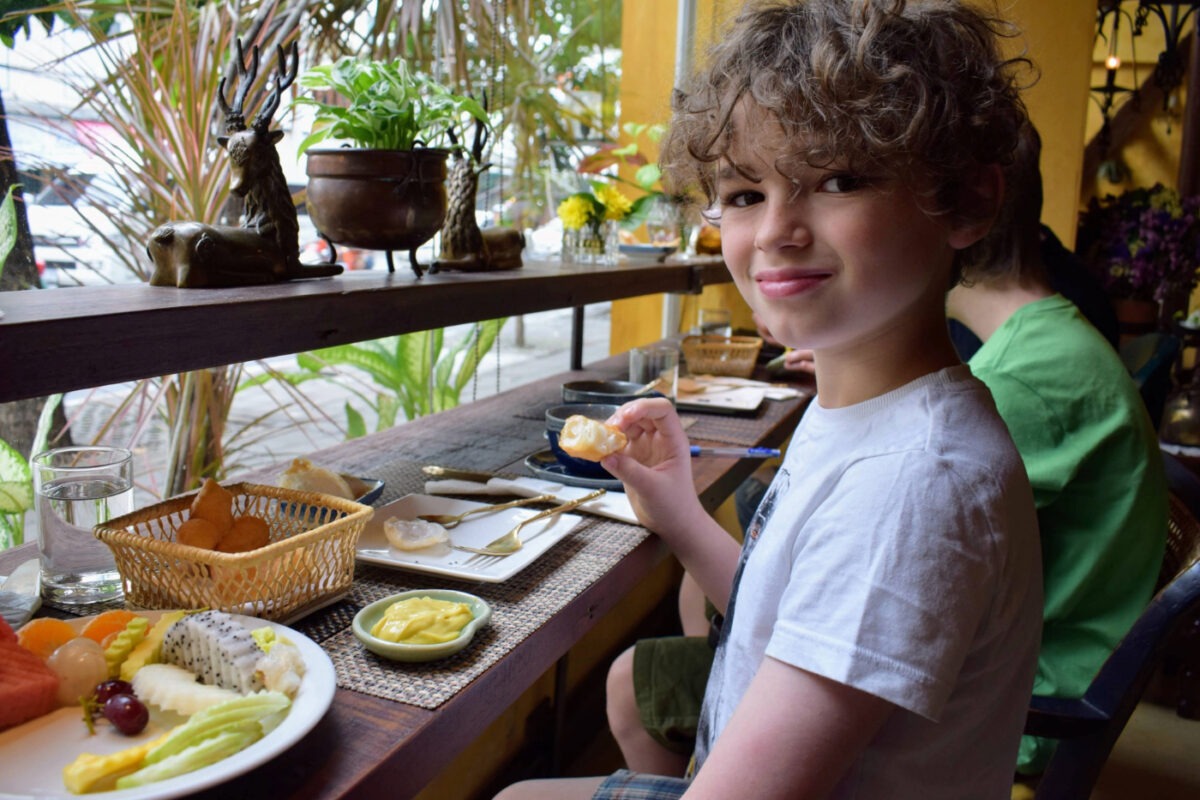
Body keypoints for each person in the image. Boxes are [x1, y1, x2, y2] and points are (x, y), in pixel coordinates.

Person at [494, 2, 1042, 798]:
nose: (778, 229)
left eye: (840, 179)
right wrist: (678, 510)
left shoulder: (913, 484)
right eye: (746, 192)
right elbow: (786, 623)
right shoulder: (866, 408)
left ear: (964, 202)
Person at [945, 120, 1167, 780]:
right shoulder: (1049, 341)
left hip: (1018, 710)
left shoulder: (1021, 381)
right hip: (1039, 674)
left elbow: (917, 588)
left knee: (644, 684)